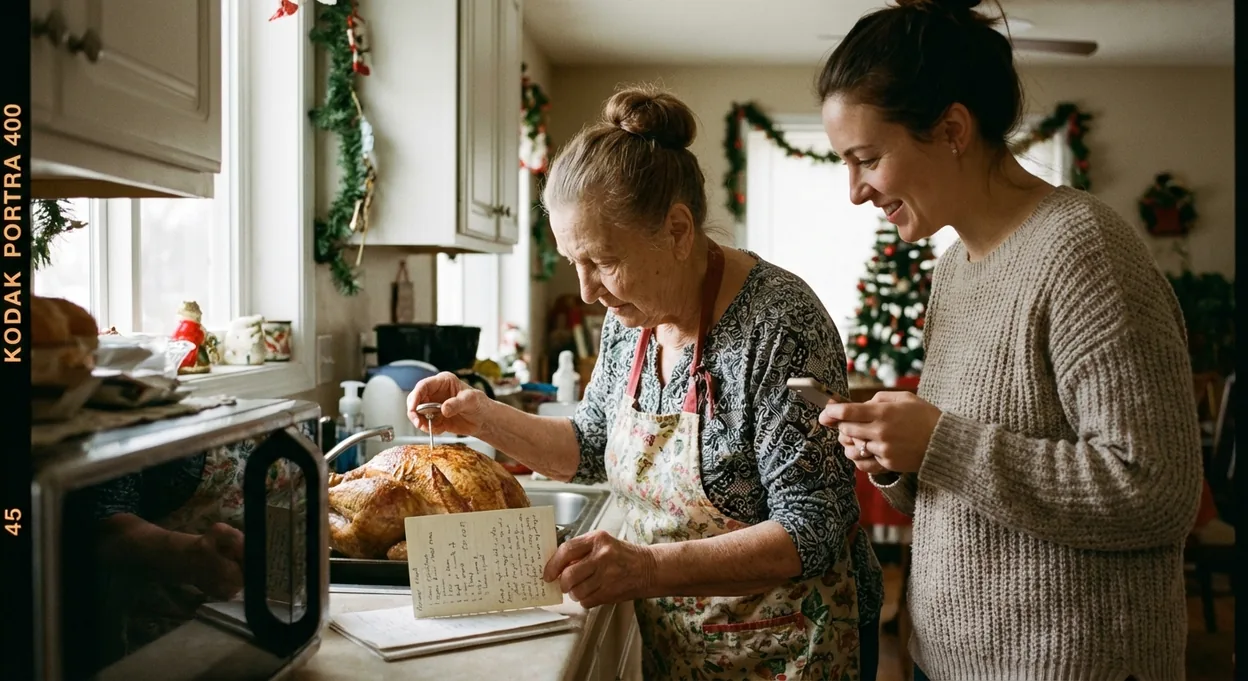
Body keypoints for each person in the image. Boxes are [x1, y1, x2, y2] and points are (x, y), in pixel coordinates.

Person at [410, 85, 883, 680]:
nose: (587, 291)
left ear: (679, 231)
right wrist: (480, 416)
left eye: (602, 262)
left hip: (793, 650)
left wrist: (647, 569)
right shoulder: (629, 317)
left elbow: (811, 527)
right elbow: (590, 446)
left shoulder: (778, 323)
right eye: (573, 263)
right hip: (681, 647)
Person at [812, 0, 1203, 679]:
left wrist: (940, 442)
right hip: (946, 656)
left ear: (953, 128)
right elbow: (966, 477)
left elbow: (1157, 491)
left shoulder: (1085, 250)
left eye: (867, 158)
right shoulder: (954, 269)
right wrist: (896, 457)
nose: (855, 191)